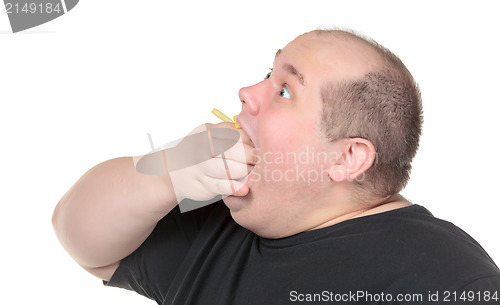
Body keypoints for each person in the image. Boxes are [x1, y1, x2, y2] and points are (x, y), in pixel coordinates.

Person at [52, 29, 500, 304]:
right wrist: (167, 171)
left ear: (348, 157)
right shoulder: (218, 227)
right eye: (268, 72)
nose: (248, 91)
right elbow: (84, 242)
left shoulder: (449, 277)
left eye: (285, 90)